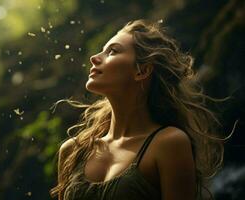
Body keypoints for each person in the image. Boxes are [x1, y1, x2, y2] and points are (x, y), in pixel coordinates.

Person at [49, 19, 238, 200]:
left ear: (142, 71)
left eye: (112, 51)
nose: (94, 58)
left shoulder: (168, 143)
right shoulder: (73, 150)